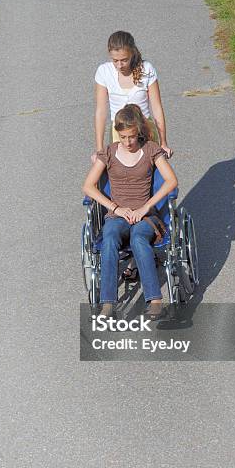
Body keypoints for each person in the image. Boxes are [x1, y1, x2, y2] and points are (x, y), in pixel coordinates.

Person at [83, 104, 178, 320]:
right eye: (124, 137)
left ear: (139, 132)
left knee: (138, 239)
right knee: (109, 237)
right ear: (118, 133)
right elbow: (88, 186)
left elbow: (171, 181)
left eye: (132, 137)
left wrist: (146, 206)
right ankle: (108, 303)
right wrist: (115, 208)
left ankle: (154, 300)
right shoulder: (108, 153)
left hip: (145, 216)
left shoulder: (152, 149)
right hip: (118, 215)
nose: (128, 142)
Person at [94, 30, 173, 158]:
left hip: (145, 129)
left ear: (132, 53)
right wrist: (99, 149)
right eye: (115, 60)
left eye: (124, 60)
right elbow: (101, 111)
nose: (119, 65)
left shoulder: (146, 69)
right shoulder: (104, 72)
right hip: (120, 131)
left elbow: (157, 107)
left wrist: (163, 142)